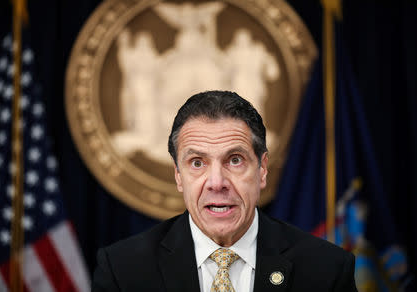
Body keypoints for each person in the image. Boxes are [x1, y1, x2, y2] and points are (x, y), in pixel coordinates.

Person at [92, 91, 357, 292]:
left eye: (235, 160)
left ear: (262, 169)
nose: (216, 182)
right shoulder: (122, 271)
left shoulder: (327, 270)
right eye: (197, 163)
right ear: (178, 175)